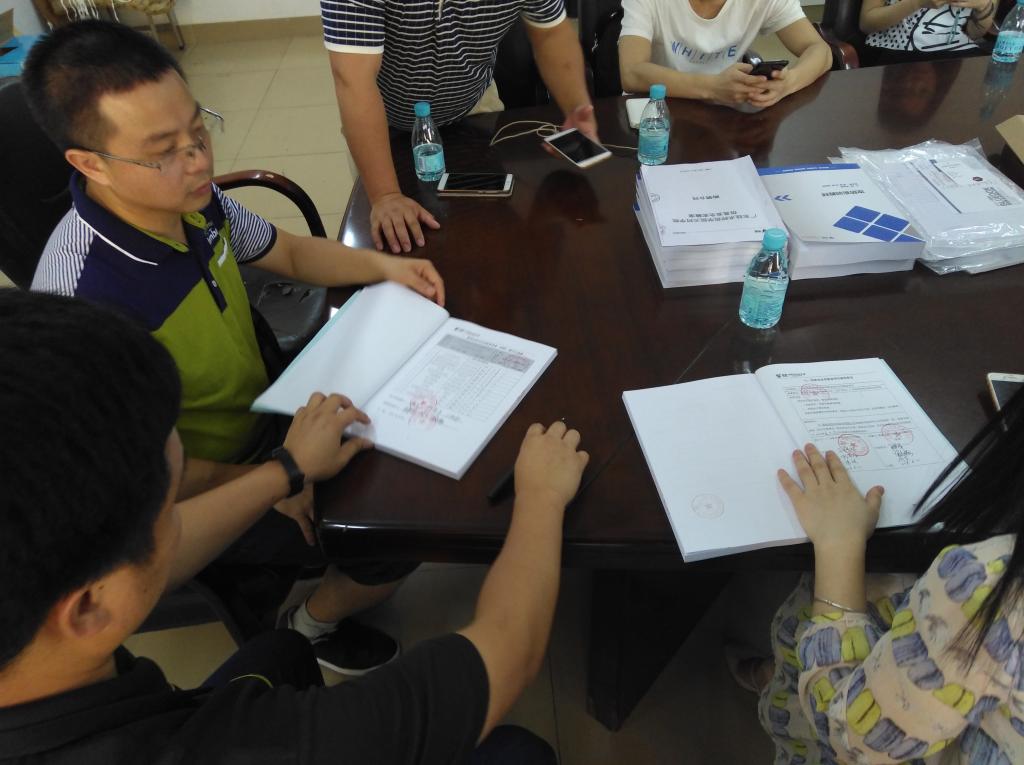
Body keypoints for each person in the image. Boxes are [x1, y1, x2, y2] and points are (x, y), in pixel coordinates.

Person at [0, 289, 588, 764]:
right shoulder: (244, 748)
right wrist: (540, 498)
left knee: (281, 653)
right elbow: (510, 650)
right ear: (88, 607)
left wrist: (285, 470)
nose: (180, 519)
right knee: (521, 753)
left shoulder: (39, 614)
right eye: (166, 510)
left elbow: (155, 559)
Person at [23, 19, 446, 675]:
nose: (198, 161)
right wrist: (278, 476)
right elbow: (148, 475)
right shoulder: (87, 303)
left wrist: (386, 268)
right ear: (89, 163)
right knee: (397, 527)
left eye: (199, 130)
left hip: (268, 405)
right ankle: (310, 624)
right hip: (207, 480)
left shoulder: (195, 201)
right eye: (163, 151)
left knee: (412, 446)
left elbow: (289, 252)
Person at [733, 391, 1024, 763]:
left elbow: (853, 735)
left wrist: (839, 543)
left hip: (871, 734)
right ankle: (783, 675)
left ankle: (789, 683)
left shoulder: (987, 585)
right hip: (960, 705)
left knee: (851, 588)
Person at [322, 0, 597, 255]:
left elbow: (550, 33)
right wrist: (386, 195)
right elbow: (353, 80)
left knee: (484, 227)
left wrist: (576, 108)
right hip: (382, 118)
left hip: (473, 107)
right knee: (397, 239)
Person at [618, 0, 832, 109]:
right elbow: (632, 73)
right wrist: (712, 87)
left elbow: (819, 49)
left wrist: (788, 83)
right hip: (656, 112)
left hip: (724, 112)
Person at [859, 0, 997, 67]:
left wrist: (983, 6)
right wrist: (917, 2)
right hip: (897, 49)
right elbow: (866, 24)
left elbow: (974, 33)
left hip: (958, 54)